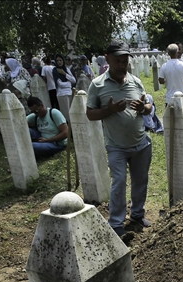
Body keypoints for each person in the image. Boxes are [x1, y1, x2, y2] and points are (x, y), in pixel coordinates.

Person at [86, 40, 154, 237]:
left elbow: (149, 107)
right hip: (117, 146)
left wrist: (143, 108)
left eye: (125, 61)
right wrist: (109, 110)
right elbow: (90, 114)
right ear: (107, 59)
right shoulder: (98, 85)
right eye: (118, 61)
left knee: (141, 181)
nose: (122, 65)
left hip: (141, 144)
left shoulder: (136, 81)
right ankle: (116, 222)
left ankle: (137, 214)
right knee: (119, 182)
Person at [52, 54, 77, 121]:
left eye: (60, 60)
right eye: (57, 61)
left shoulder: (66, 69)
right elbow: (60, 84)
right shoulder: (55, 71)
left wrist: (64, 74)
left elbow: (74, 80)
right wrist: (69, 83)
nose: (59, 62)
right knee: (67, 115)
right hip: (62, 94)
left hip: (70, 93)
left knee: (72, 112)